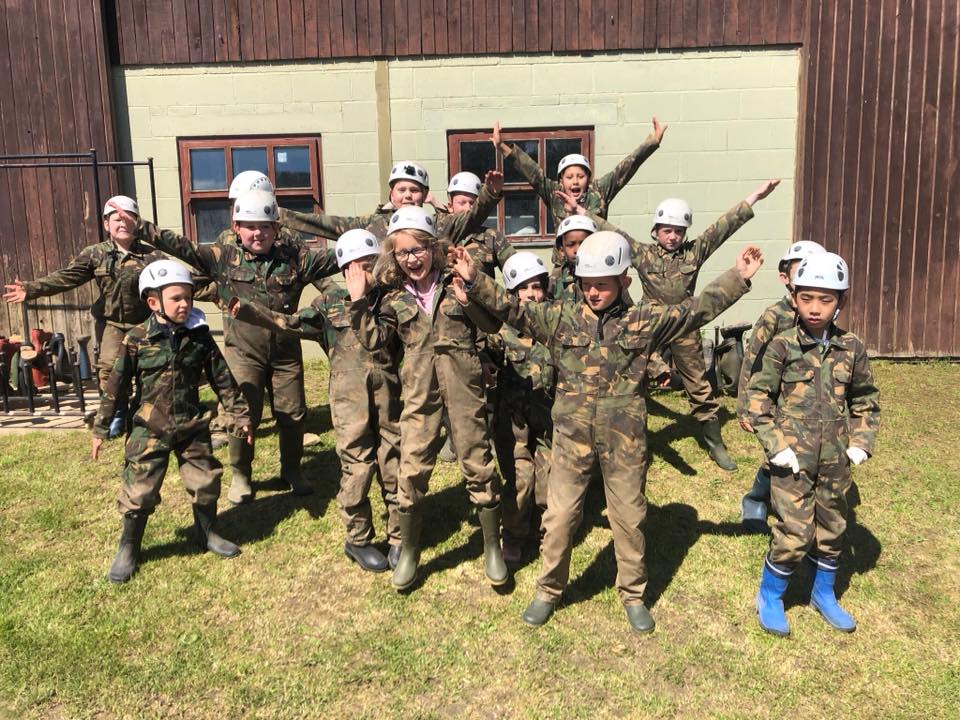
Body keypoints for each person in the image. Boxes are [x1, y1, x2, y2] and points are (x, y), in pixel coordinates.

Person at [449, 232, 764, 632]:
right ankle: (549, 590)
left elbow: (696, 310)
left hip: (625, 444)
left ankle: (633, 594)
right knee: (560, 517)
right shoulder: (559, 317)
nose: (593, 292)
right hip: (570, 442)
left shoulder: (643, 320)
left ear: (623, 283)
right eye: (587, 284)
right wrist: (475, 277)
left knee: (629, 520)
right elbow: (512, 310)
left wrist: (738, 276)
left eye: (602, 284)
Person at [139, 189, 341, 504]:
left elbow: (337, 257)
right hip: (244, 354)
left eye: (264, 226)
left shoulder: (295, 259)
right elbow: (183, 247)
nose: (257, 232)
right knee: (244, 415)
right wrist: (142, 228)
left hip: (286, 354)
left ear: (277, 228)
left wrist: (376, 240)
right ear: (237, 227)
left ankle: (291, 470)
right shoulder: (224, 258)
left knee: (293, 414)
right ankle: (242, 475)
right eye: (249, 225)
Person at [344, 206, 508, 591]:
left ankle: (491, 548)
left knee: (477, 461)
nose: (412, 259)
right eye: (403, 253)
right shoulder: (390, 296)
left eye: (418, 250)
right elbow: (376, 342)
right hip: (419, 394)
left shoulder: (457, 282)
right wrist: (358, 303)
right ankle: (411, 551)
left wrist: (472, 290)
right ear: (394, 256)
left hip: (464, 388)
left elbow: (495, 322)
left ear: (434, 248)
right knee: (412, 467)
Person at [228, 229, 402, 573]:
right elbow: (290, 324)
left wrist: (363, 300)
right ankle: (358, 539)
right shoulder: (328, 303)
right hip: (349, 401)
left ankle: (399, 536)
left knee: (393, 462)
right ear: (342, 269)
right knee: (358, 466)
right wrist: (249, 312)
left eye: (368, 264)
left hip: (389, 397)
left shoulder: (392, 300)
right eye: (354, 265)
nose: (362, 272)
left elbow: (384, 339)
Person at [582, 179, 781, 470]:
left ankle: (714, 442)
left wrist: (755, 197)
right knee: (635, 379)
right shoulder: (643, 253)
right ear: (656, 231)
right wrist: (582, 212)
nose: (673, 236)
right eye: (667, 230)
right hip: (649, 327)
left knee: (699, 384)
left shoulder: (693, 252)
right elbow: (614, 232)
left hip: (684, 325)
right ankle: (634, 437)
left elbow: (722, 228)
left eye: (678, 231)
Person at [91, 260, 251, 583]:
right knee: (139, 491)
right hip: (149, 427)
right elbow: (115, 387)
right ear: (154, 302)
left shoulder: (199, 336)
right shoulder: (136, 339)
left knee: (205, 480)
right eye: (176, 298)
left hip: (191, 423)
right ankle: (129, 547)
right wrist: (100, 427)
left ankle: (205, 532)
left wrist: (240, 414)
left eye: (188, 298)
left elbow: (223, 379)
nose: (184, 304)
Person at [745, 251, 880, 637]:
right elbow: (759, 399)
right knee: (794, 531)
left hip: (836, 460)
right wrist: (776, 445)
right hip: (792, 462)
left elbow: (866, 400)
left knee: (833, 526)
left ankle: (824, 593)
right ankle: (770, 596)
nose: (816, 308)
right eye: (807, 298)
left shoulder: (851, 347)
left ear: (842, 300)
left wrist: (861, 442)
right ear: (794, 298)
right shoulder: (783, 346)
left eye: (826, 299)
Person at [4, 196, 167, 437]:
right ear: (106, 224)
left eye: (127, 218)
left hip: (145, 322)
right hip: (112, 323)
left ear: (136, 222)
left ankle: (145, 413)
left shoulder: (152, 256)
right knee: (110, 371)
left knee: (149, 368)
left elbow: (176, 283)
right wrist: (31, 288)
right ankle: (116, 413)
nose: (121, 223)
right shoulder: (96, 254)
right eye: (115, 219)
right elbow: (66, 277)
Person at [736, 240, 827, 531]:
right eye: (801, 271)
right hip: (774, 401)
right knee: (775, 455)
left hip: (809, 403)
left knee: (808, 456)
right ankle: (755, 501)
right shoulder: (775, 316)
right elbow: (752, 360)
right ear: (784, 278)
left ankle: (802, 504)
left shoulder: (822, 317)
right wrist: (744, 408)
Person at [483, 251, 555, 564]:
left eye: (537, 286)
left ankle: (542, 531)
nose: (531, 293)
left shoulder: (555, 327)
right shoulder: (499, 332)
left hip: (549, 417)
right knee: (520, 479)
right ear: (511, 294)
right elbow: (484, 362)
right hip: (513, 422)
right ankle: (512, 535)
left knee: (548, 479)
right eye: (524, 288)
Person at [490, 118, 667, 227]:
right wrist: (502, 147)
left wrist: (651, 143)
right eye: (569, 177)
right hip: (566, 272)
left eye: (580, 176)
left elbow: (625, 169)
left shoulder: (599, 191)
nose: (575, 182)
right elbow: (531, 172)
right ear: (561, 180)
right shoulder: (555, 193)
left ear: (588, 178)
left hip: (596, 264)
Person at [278, 161, 503, 244]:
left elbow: (473, 217)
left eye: (414, 190)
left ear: (424, 196)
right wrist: (278, 216)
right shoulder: (372, 225)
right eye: (401, 190)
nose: (407, 195)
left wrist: (489, 194)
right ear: (391, 195)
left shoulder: (441, 226)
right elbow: (326, 224)